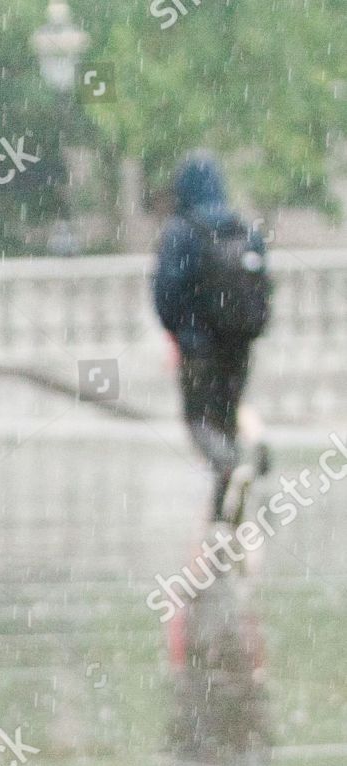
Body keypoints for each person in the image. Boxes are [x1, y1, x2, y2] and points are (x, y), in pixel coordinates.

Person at [153, 150, 272, 523]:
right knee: (225, 419)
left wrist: (178, 329)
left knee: (198, 421)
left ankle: (228, 467)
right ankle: (223, 516)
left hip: (197, 346)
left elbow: (167, 291)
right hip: (238, 345)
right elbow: (263, 286)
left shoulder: (181, 232)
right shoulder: (244, 229)